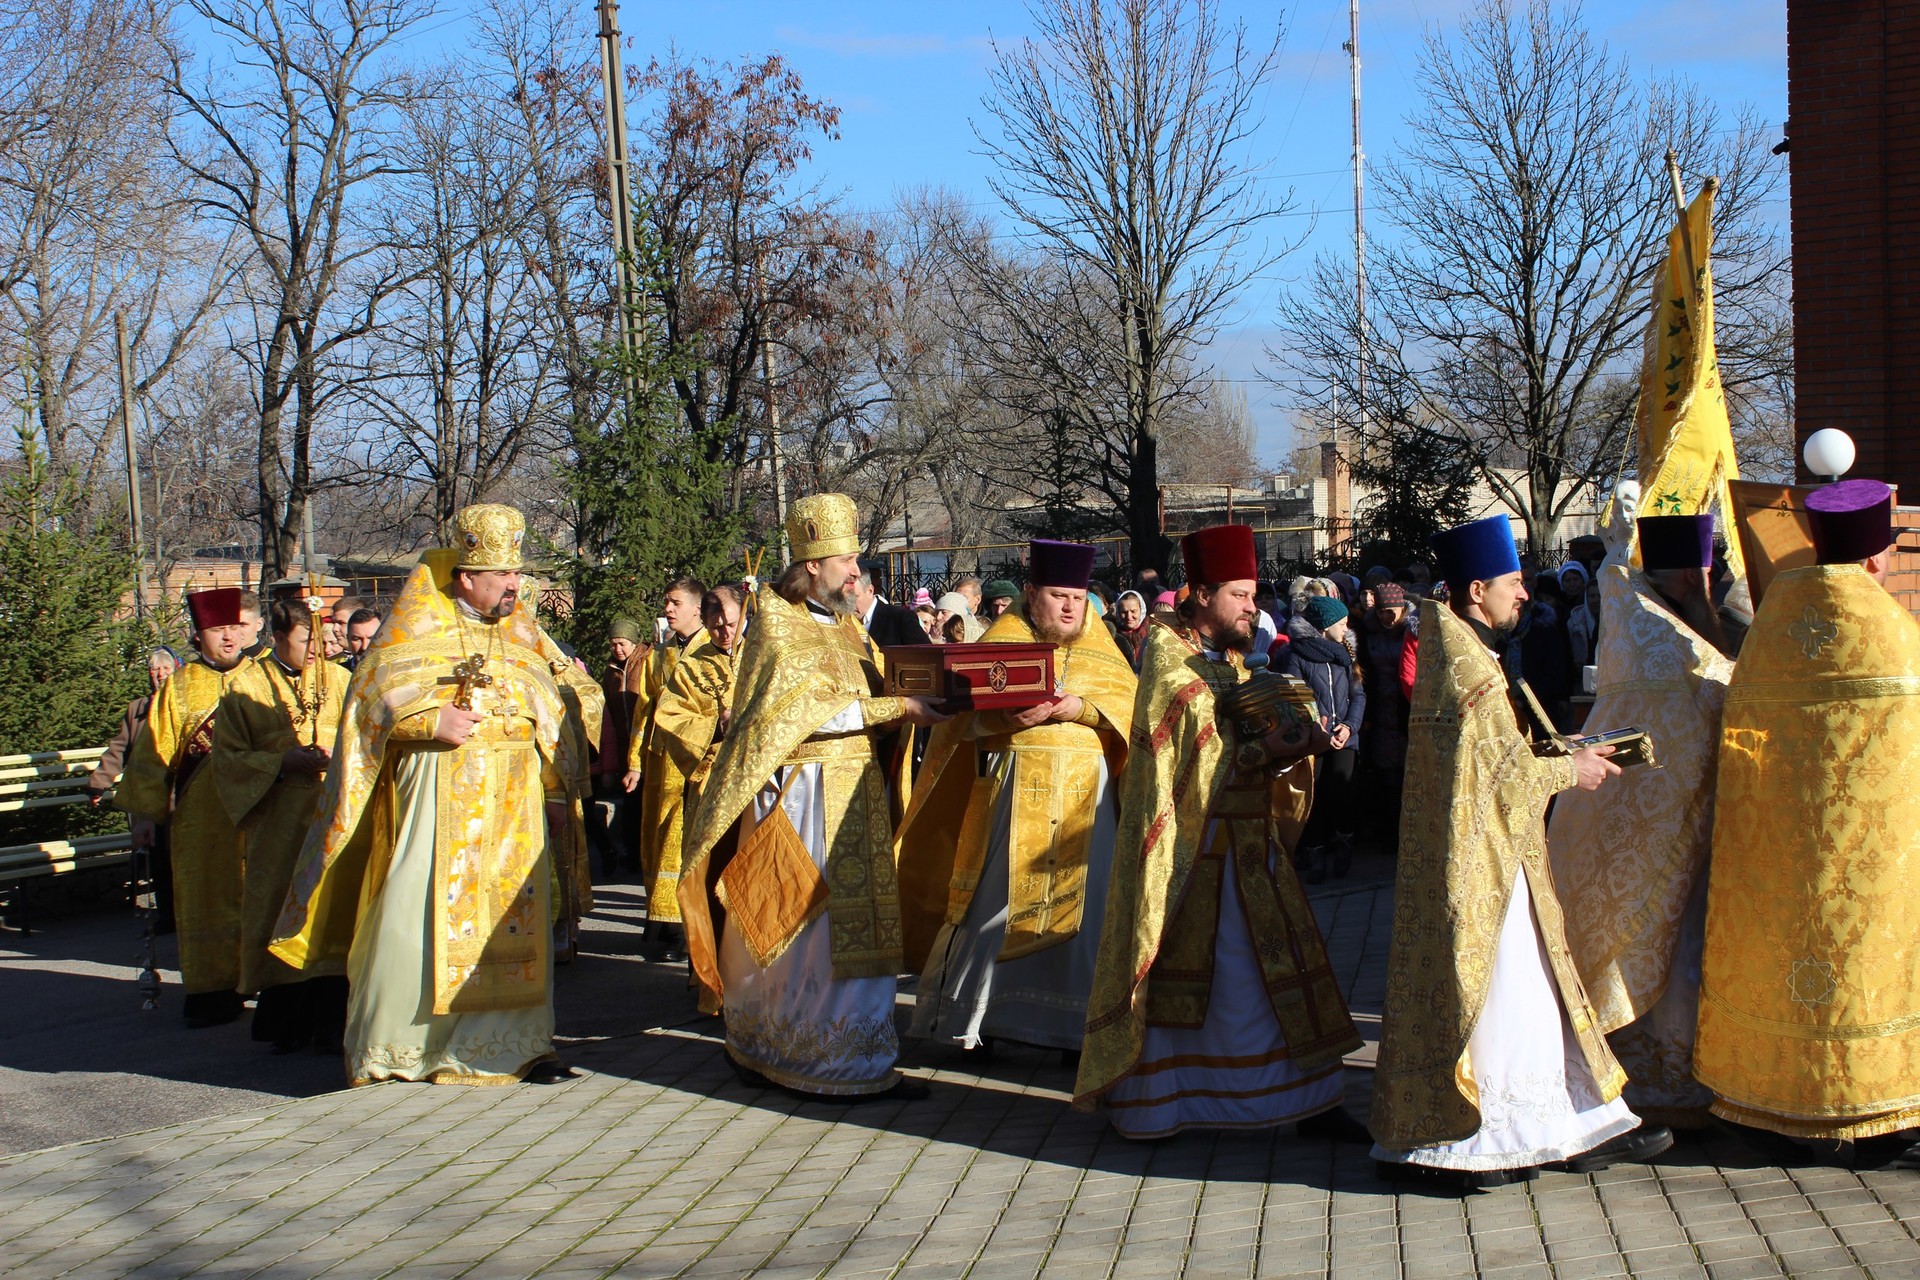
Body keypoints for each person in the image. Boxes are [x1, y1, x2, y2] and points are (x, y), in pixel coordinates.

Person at [1372, 514, 1663, 1190]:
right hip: (1482, 867)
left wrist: (1574, 752)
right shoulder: (1467, 671)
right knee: (1500, 997)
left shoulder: (1468, 654)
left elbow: (1501, 760)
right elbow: (1495, 779)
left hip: (1501, 856)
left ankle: (1567, 1125)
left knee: (1535, 993)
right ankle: (1467, 1142)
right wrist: (1573, 771)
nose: (1525, 594)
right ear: (1477, 590)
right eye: (1512, 582)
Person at [270, 504, 601, 1086]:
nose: (514, 587)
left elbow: (553, 713)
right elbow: (368, 706)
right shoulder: (416, 628)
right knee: (415, 912)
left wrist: (554, 791)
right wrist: (427, 722)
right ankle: (404, 1050)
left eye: (517, 575)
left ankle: (514, 1047)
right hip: (436, 797)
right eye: (503, 576)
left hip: (513, 807)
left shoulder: (520, 633)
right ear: (467, 576)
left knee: (512, 920)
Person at [1075, 525, 1365, 1141]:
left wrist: (1294, 745)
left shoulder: (1229, 658)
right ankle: (1171, 1102)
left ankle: (1309, 1100)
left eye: (1254, 594)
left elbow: (1247, 737)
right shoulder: (1167, 657)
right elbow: (1176, 763)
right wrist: (1266, 752)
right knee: (1227, 976)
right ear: (1201, 593)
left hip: (1254, 846)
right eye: (1238, 595)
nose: (1251, 607)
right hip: (1194, 857)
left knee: (1279, 972)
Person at [676, 493, 949, 1099]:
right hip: (803, 798)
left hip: (856, 792)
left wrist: (932, 690)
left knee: (863, 930)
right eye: (846, 560)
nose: (856, 572)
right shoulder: (777, 619)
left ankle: (862, 1056)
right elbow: (795, 714)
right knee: (803, 930)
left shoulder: (847, 625)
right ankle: (796, 1051)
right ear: (812, 564)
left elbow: (883, 683)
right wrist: (896, 705)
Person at [1694, 479, 1920, 1162]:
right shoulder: (1898, 640)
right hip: (1874, 869)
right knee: (1868, 976)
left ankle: (1775, 1104)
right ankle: (1879, 1110)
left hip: (1782, 863)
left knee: (1785, 971)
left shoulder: (1769, 631)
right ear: (1877, 558)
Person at [900, 540, 1136, 1057]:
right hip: (1012, 790)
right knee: (995, 904)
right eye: (1058, 595)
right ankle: (985, 1019)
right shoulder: (1004, 639)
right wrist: (1001, 717)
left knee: (1088, 904)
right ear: (1032, 594)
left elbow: (1131, 714)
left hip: (1087, 803)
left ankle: (1082, 1027)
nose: (1071, 607)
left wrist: (1082, 707)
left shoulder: (1103, 647)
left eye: (1077, 596)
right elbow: (956, 721)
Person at [1547, 514, 1734, 1131]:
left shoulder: (1629, 623)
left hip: (1612, 828)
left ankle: (1625, 1075)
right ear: (1691, 572)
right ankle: (1680, 1086)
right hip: (1678, 834)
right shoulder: (1684, 646)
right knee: (1681, 952)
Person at [212, 599, 351, 1053]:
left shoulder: (343, 680)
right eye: (305, 638)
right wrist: (282, 760)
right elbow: (227, 761)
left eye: (321, 637)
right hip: (280, 826)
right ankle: (288, 1024)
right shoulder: (244, 688)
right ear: (277, 637)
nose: (317, 647)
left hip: (335, 818)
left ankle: (335, 1022)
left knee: (333, 913)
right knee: (280, 912)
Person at [115, 589, 256, 1027]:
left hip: (261, 810)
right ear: (198, 636)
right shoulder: (179, 687)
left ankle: (270, 987)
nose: (229, 638)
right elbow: (153, 755)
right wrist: (145, 815)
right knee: (206, 903)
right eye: (218, 630)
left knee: (261, 897)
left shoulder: (263, 677)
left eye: (234, 628)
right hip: (202, 816)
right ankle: (213, 992)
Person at [622, 577, 708, 962]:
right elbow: (644, 710)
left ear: (696, 607)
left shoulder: (715, 650)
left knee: (685, 841)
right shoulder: (659, 655)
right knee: (659, 840)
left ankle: (684, 930)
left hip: (696, 760)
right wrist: (634, 763)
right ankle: (661, 924)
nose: (668, 609)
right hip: (662, 762)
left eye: (675, 603)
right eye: (666, 602)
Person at [89, 647, 182, 930]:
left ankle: (188, 915)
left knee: (180, 857)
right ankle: (167, 916)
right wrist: (98, 784)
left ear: (176, 671)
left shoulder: (185, 704)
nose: (159, 675)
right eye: (154, 670)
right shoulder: (137, 710)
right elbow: (118, 749)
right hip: (150, 799)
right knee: (158, 859)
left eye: (165, 669)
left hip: (181, 795)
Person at [1277, 594, 1364, 883]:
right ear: (1324, 627)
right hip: (1313, 740)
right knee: (1312, 799)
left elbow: (1358, 695)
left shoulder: (1345, 653)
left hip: (1344, 738)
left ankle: (1343, 847)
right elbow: (1295, 698)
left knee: (1343, 794)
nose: (1346, 627)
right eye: (1341, 623)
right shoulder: (1296, 656)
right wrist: (1318, 731)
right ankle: (1314, 854)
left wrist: (1349, 727)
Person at [592, 617, 649, 878]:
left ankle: (644, 854)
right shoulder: (611, 671)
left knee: (646, 802)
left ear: (634, 643)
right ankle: (632, 854)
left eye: (623, 643)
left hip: (647, 745)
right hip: (625, 747)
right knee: (631, 801)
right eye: (613, 644)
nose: (618, 649)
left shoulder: (647, 662)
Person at [1358, 583, 1412, 846]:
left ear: (1402, 609)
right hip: (1379, 708)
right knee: (1384, 772)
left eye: (1390, 611)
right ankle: (1388, 832)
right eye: (1381, 612)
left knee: (1407, 771)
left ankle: (1408, 831)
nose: (1386, 617)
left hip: (1406, 708)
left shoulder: (1413, 632)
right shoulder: (1368, 633)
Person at [855, 567, 928, 648]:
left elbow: (927, 656)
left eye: (854, 596)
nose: (848, 603)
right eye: (841, 598)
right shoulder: (841, 621)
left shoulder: (900, 618)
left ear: (870, 591)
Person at [1110, 590, 1150, 671]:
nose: (1129, 616)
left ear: (1141, 610)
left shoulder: (1150, 632)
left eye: (1133, 611)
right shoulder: (1112, 634)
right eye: (1124, 612)